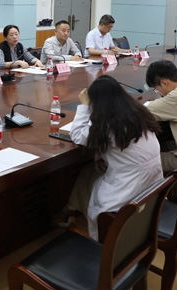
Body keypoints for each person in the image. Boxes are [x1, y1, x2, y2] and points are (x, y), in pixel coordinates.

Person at [58, 75, 163, 240]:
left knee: (90, 180)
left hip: (129, 190)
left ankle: (88, 229)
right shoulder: (139, 112)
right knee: (88, 172)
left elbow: (77, 135)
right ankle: (71, 210)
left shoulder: (109, 125)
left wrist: (84, 106)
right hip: (152, 185)